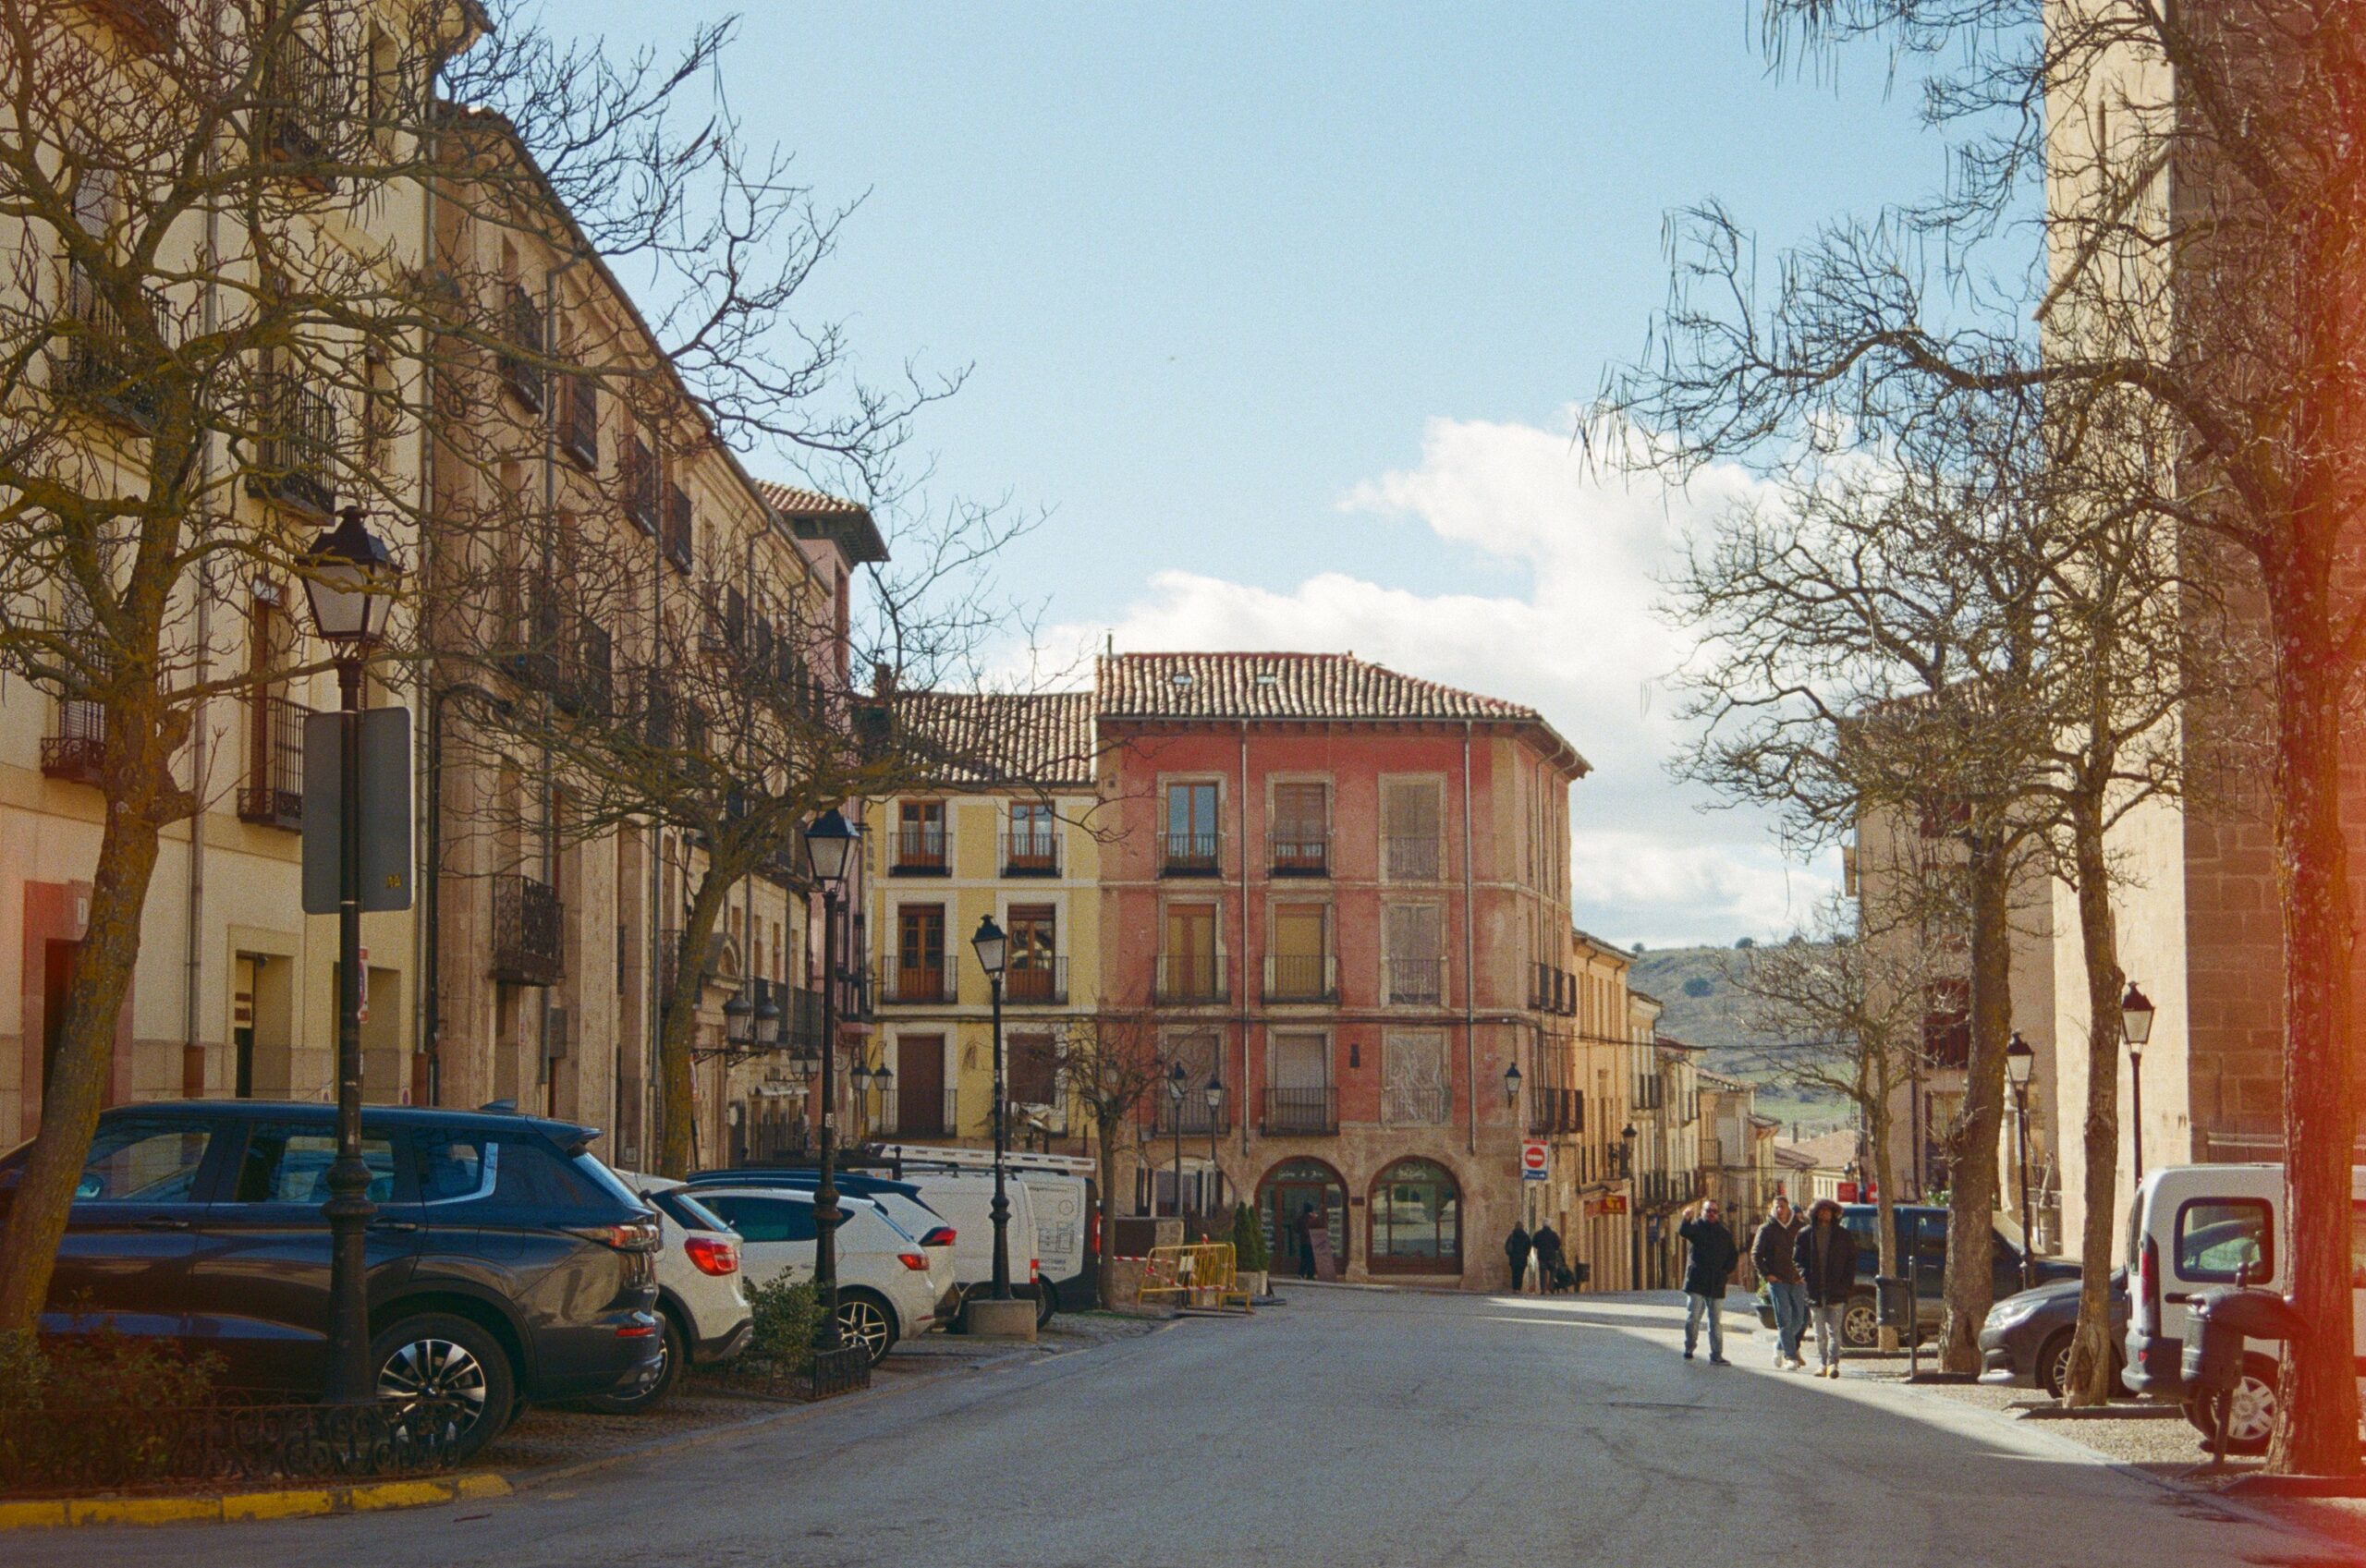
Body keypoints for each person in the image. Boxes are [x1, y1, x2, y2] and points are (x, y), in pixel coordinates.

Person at [1794, 1197, 1860, 1379]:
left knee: (1835, 1332)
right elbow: (1797, 1259)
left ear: (1834, 1214)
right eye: (1821, 1211)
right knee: (1819, 1333)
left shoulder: (1843, 1236)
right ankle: (1822, 1363)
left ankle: (1833, 1363)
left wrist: (1846, 1283)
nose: (1824, 1214)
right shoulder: (1805, 1234)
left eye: (1828, 1211)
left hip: (1837, 1291)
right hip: (1815, 1290)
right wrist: (1805, 1276)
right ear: (1815, 1213)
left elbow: (1851, 1261)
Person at [1676, 1199, 1739, 1365]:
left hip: (1717, 1283)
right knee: (1693, 1317)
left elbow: (1733, 1256)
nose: (1711, 1213)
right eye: (1708, 1210)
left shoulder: (1724, 1233)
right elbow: (1684, 1231)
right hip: (1697, 1281)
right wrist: (1686, 1218)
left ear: (1717, 1214)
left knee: (1715, 1322)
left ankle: (1716, 1355)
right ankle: (1689, 1347)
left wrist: (1725, 1272)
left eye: (1714, 1211)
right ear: (1702, 1212)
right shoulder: (1696, 1227)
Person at [1752, 1195, 1808, 1370]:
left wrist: (1805, 1274)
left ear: (1788, 1208)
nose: (1779, 1210)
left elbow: (1809, 1252)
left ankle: (1778, 1346)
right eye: (1776, 1207)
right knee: (1784, 1319)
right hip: (1777, 1282)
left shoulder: (1800, 1228)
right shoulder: (1766, 1229)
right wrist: (1767, 1274)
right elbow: (1756, 1254)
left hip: (1797, 1280)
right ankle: (1791, 1357)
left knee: (1799, 1320)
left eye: (1782, 1207)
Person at [1532, 1222, 1566, 1295]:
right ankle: (1551, 1285)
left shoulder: (1538, 1234)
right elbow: (1558, 1244)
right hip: (1551, 1256)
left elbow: (1534, 1243)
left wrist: (1539, 1247)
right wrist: (1554, 1249)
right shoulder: (1553, 1234)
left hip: (1541, 1256)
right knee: (1553, 1270)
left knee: (1542, 1273)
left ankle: (1543, 1289)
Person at [1295, 1202, 1322, 1281]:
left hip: (1303, 1242)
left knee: (1304, 1258)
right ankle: (1309, 1274)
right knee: (1311, 1259)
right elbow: (1319, 1227)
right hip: (1311, 1242)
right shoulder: (1312, 1219)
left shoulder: (1300, 1218)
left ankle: (1301, 1273)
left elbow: (1296, 1229)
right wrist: (1316, 1218)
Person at [1505, 1220, 1533, 1293]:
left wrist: (1510, 1254)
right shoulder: (1526, 1236)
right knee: (1520, 1274)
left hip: (1513, 1258)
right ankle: (1518, 1288)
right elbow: (1529, 1246)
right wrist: (1526, 1254)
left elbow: (1507, 1246)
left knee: (1514, 1273)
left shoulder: (1512, 1236)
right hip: (1522, 1258)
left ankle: (1514, 1288)